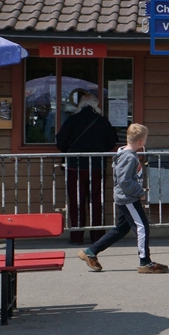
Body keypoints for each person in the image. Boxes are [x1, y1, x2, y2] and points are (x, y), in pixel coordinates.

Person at [76, 123, 167, 273]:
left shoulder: (125, 153)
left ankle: (91, 251)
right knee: (142, 227)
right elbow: (124, 181)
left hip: (126, 197)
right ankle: (145, 262)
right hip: (129, 198)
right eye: (145, 138)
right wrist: (140, 192)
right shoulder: (129, 157)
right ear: (141, 141)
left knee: (121, 229)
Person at [56, 90, 117, 234]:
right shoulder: (103, 121)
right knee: (97, 201)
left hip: (75, 166)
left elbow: (61, 143)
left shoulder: (72, 120)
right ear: (96, 105)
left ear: (81, 105)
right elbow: (111, 142)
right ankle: (97, 235)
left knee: (76, 202)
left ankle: (77, 236)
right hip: (97, 165)